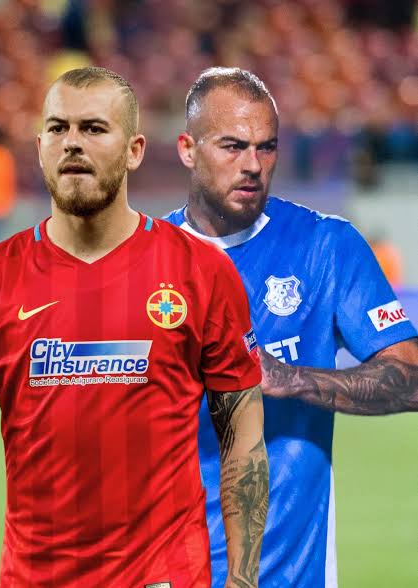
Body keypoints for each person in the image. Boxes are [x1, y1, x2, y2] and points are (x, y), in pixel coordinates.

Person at [0, 67, 267, 588]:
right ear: (40, 147)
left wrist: (242, 579)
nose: (72, 142)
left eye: (94, 128)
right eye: (58, 128)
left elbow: (243, 441)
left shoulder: (202, 272)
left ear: (134, 150)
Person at [164, 67, 418, 588]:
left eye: (267, 147)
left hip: (294, 576)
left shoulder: (325, 246)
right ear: (188, 149)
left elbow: (411, 378)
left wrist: (289, 378)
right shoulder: (144, 260)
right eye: (233, 146)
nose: (252, 165)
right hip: (170, 570)